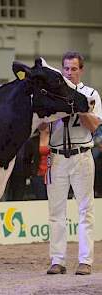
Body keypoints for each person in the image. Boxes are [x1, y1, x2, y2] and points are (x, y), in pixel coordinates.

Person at [46, 51, 102, 275]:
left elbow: (93, 126)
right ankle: (57, 260)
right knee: (56, 211)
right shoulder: (51, 95)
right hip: (57, 156)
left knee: (85, 209)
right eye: (66, 69)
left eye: (74, 69)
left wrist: (79, 106)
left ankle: (85, 260)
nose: (70, 73)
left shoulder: (90, 94)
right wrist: (54, 109)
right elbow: (41, 126)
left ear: (81, 70)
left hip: (82, 156)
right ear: (62, 70)